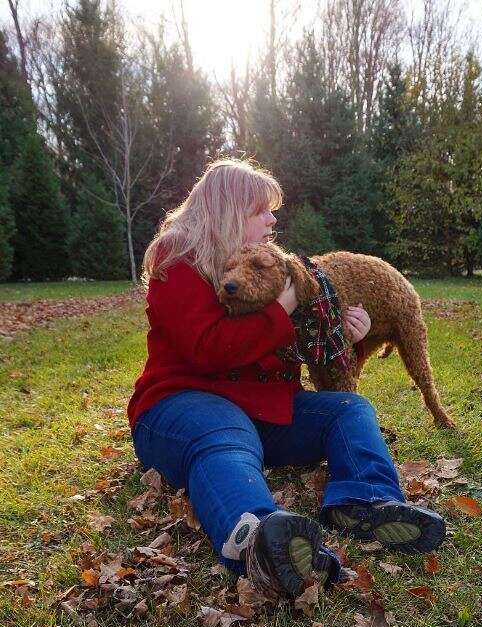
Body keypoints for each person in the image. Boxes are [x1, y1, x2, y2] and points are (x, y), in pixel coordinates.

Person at [128, 158, 446, 598]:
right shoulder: (177, 259)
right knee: (226, 433)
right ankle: (260, 540)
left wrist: (350, 338)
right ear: (229, 211)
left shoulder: (268, 267)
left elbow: (297, 350)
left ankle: (367, 503)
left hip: (262, 412)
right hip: (181, 410)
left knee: (350, 409)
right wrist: (285, 308)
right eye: (261, 210)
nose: (273, 219)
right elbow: (209, 350)